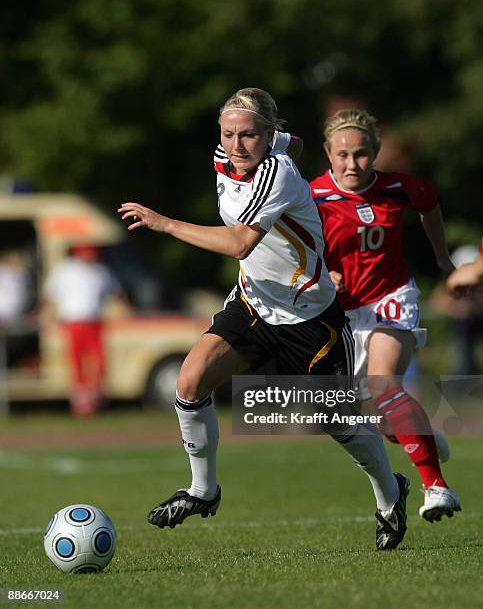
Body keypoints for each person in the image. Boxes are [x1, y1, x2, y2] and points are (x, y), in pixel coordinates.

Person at [119, 88, 410, 551]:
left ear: (266, 135)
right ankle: (202, 491)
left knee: (339, 424)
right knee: (190, 381)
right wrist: (280, 137)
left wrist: (164, 223)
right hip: (253, 303)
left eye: (248, 134)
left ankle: (390, 495)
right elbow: (288, 141)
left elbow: (239, 244)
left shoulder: (277, 173)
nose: (236, 144)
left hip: (310, 318)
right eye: (228, 132)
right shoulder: (241, 151)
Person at [310, 108, 461, 523]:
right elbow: (294, 249)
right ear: (328, 154)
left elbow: (429, 202)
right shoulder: (311, 197)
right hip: (343, 316)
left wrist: (442, 257)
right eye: (342, 155)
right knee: (382, 418)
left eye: (360, 154)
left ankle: (437, 487)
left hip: (392, 298)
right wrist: (322, 274)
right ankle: (424, 436)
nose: (351, 163)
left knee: (384, 384)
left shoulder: (397, 188)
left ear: (375, 152)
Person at [42, 244, 122, 417]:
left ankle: (96, 398)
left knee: (98, 360)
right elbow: (50, 295)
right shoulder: (65, 269)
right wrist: (47, 317)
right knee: (76, 361)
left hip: (94, 322)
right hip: (72, 322)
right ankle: (81, 403)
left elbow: (116, 294)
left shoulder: (102, 271)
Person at [431, 245, 483, 374]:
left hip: (478, 323)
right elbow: (437, 304)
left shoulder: (478, 285)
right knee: (463, 363)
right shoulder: (449, 284)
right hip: (462, 328)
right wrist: (456, 310)